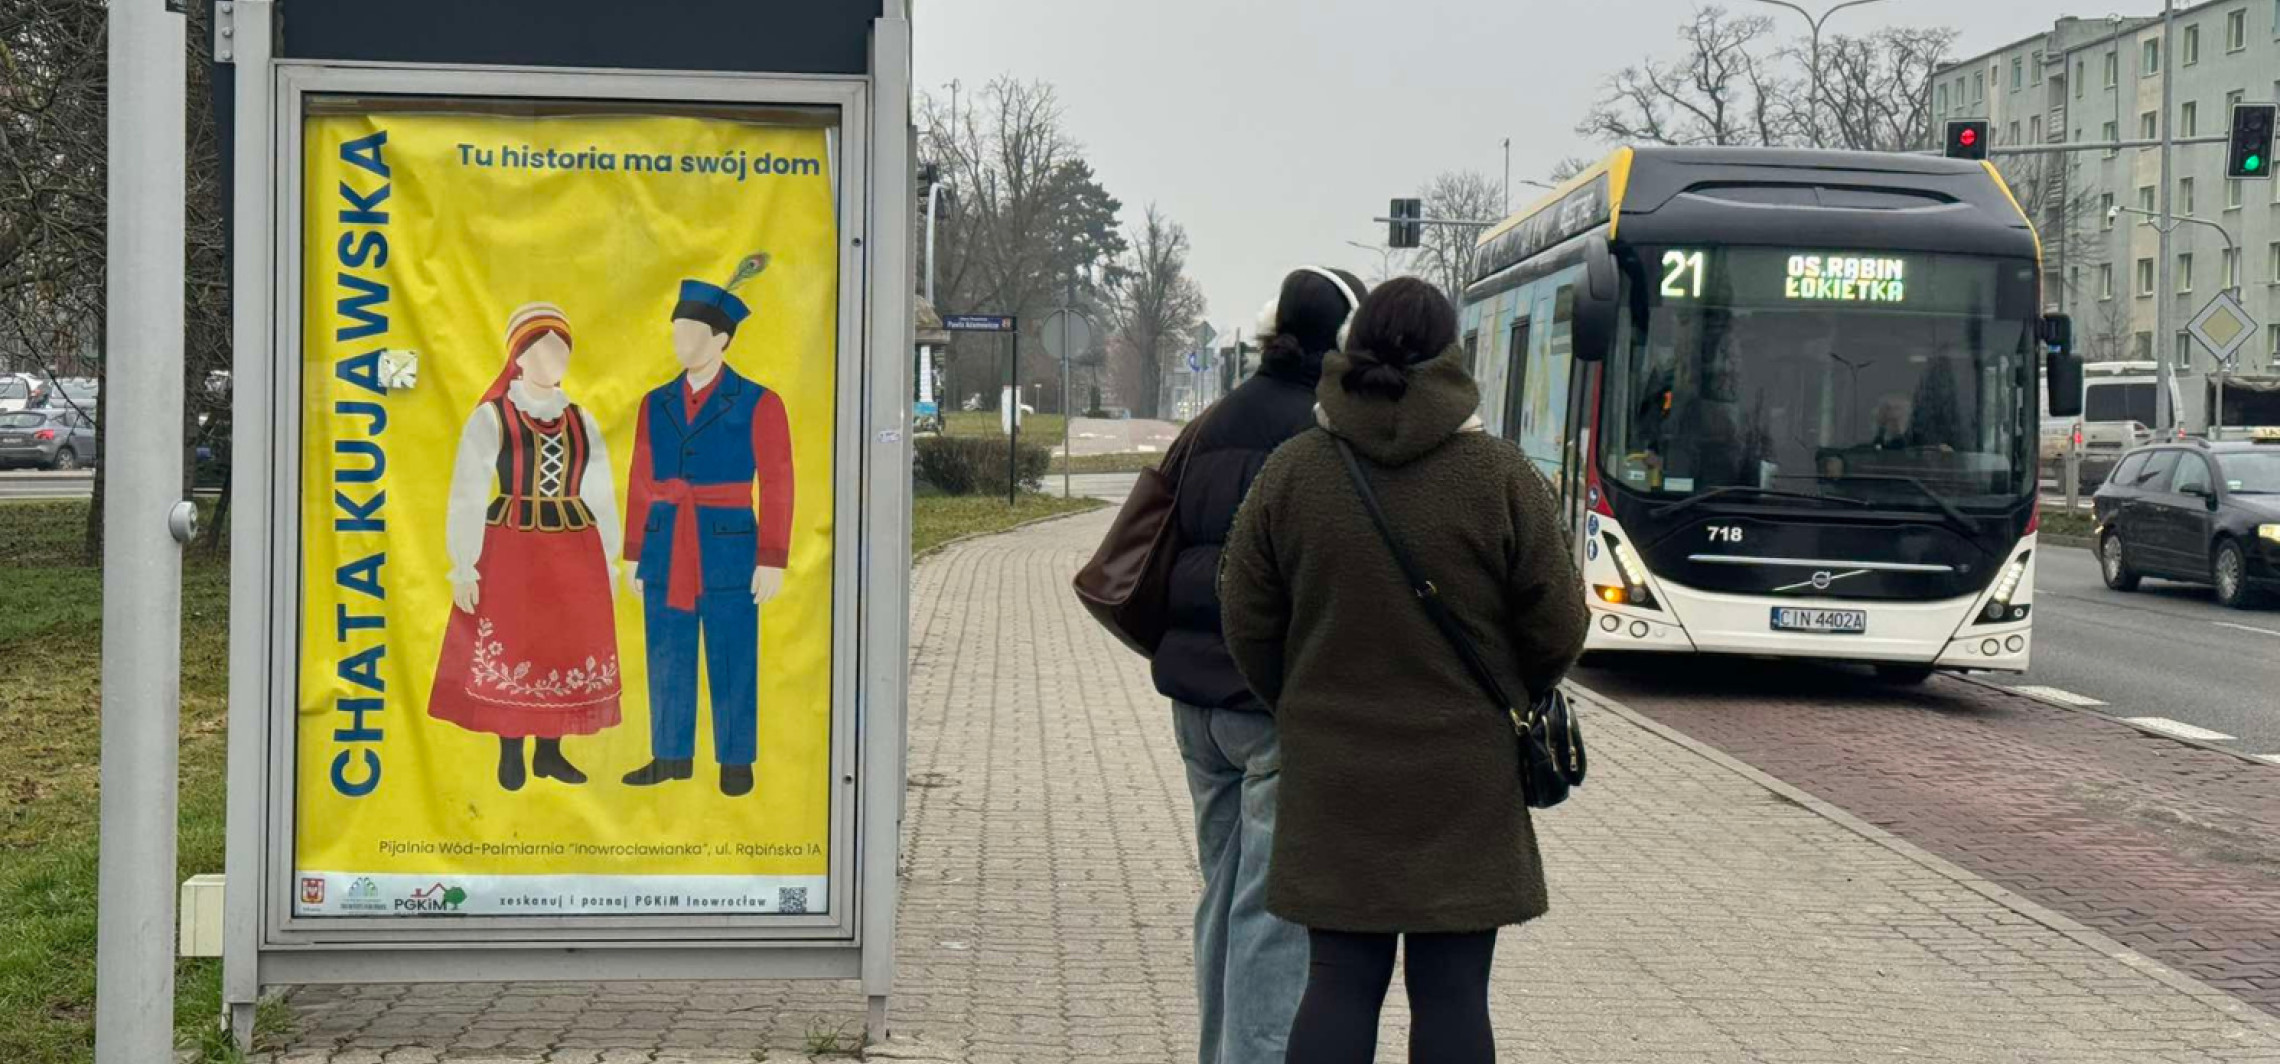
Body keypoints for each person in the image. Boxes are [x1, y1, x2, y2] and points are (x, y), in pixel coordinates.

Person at [1218, 277, 1588, 1063]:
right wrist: (1512, 694)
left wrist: (1302, 700)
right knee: (1454, 992)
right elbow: (1558, 629)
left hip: (1332, 772)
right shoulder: (1502, 478)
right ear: (1451, 357)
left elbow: (1245, 621)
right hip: (1466, 778)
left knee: (1337, 980)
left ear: (1349, 354)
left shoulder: (1294, 474)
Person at [1142, 266, 1366, 1064]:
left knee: (1223, 898)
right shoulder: (1318, 436)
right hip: (1268, 704)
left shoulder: (1216, 417)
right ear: (1340, 340)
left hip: (1197, 706)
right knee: (1271, 915)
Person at [428, 302, 624, 791]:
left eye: (562, 348)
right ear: (519, 355)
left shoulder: (581, 418)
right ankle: (511, 752)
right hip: (513, 547)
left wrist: (613, 558)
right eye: (544, 347)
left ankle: (550, 754)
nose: (555, 358)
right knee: (516, 642)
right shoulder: (492, 418)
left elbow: (601, 491)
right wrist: (464, 566)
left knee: (563, 646)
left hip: (575, 547)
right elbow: (468, 491)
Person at [621, 254, 796, 798]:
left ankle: (735, 760)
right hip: (666, 542)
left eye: (691, 332)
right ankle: (670, 755)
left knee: (732, 651)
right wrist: (632, 551)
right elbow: (640, 478)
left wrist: (772, 557)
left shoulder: (759, 402)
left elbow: (779, 482)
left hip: (728, 547)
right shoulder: (656, 403)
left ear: (721, 339)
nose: (680, 342)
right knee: (667, 649)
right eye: (676, 331)